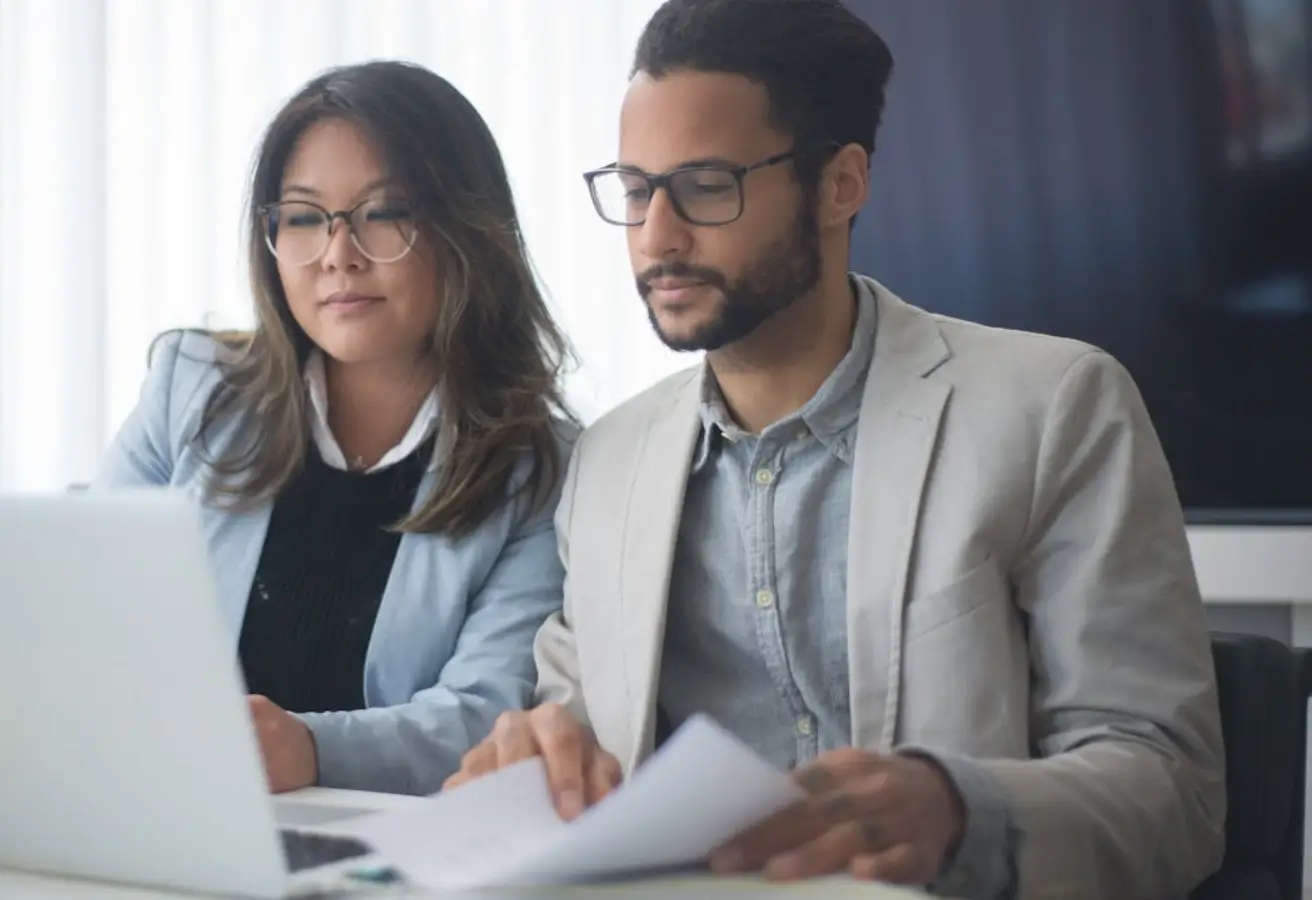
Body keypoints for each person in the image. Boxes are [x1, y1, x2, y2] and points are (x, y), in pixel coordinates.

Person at [446, 1, 1225, 897]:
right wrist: (535, 762)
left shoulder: (1055, 409)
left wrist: (958, 810)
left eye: (706, 185)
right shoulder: (608, 463)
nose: (657, 236)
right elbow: (573, 738)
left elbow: (1176, 793)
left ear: (841, 184)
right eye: (634, 190)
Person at [97, 60, 576, 797]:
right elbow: (89, 618)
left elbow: (486, 718)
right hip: (163, 806)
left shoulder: (541, 470)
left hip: (387, 839)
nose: (338, 254)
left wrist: (312, 749)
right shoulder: (189, 390)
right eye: (303, 217)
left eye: (384, 213)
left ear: (467, 228)